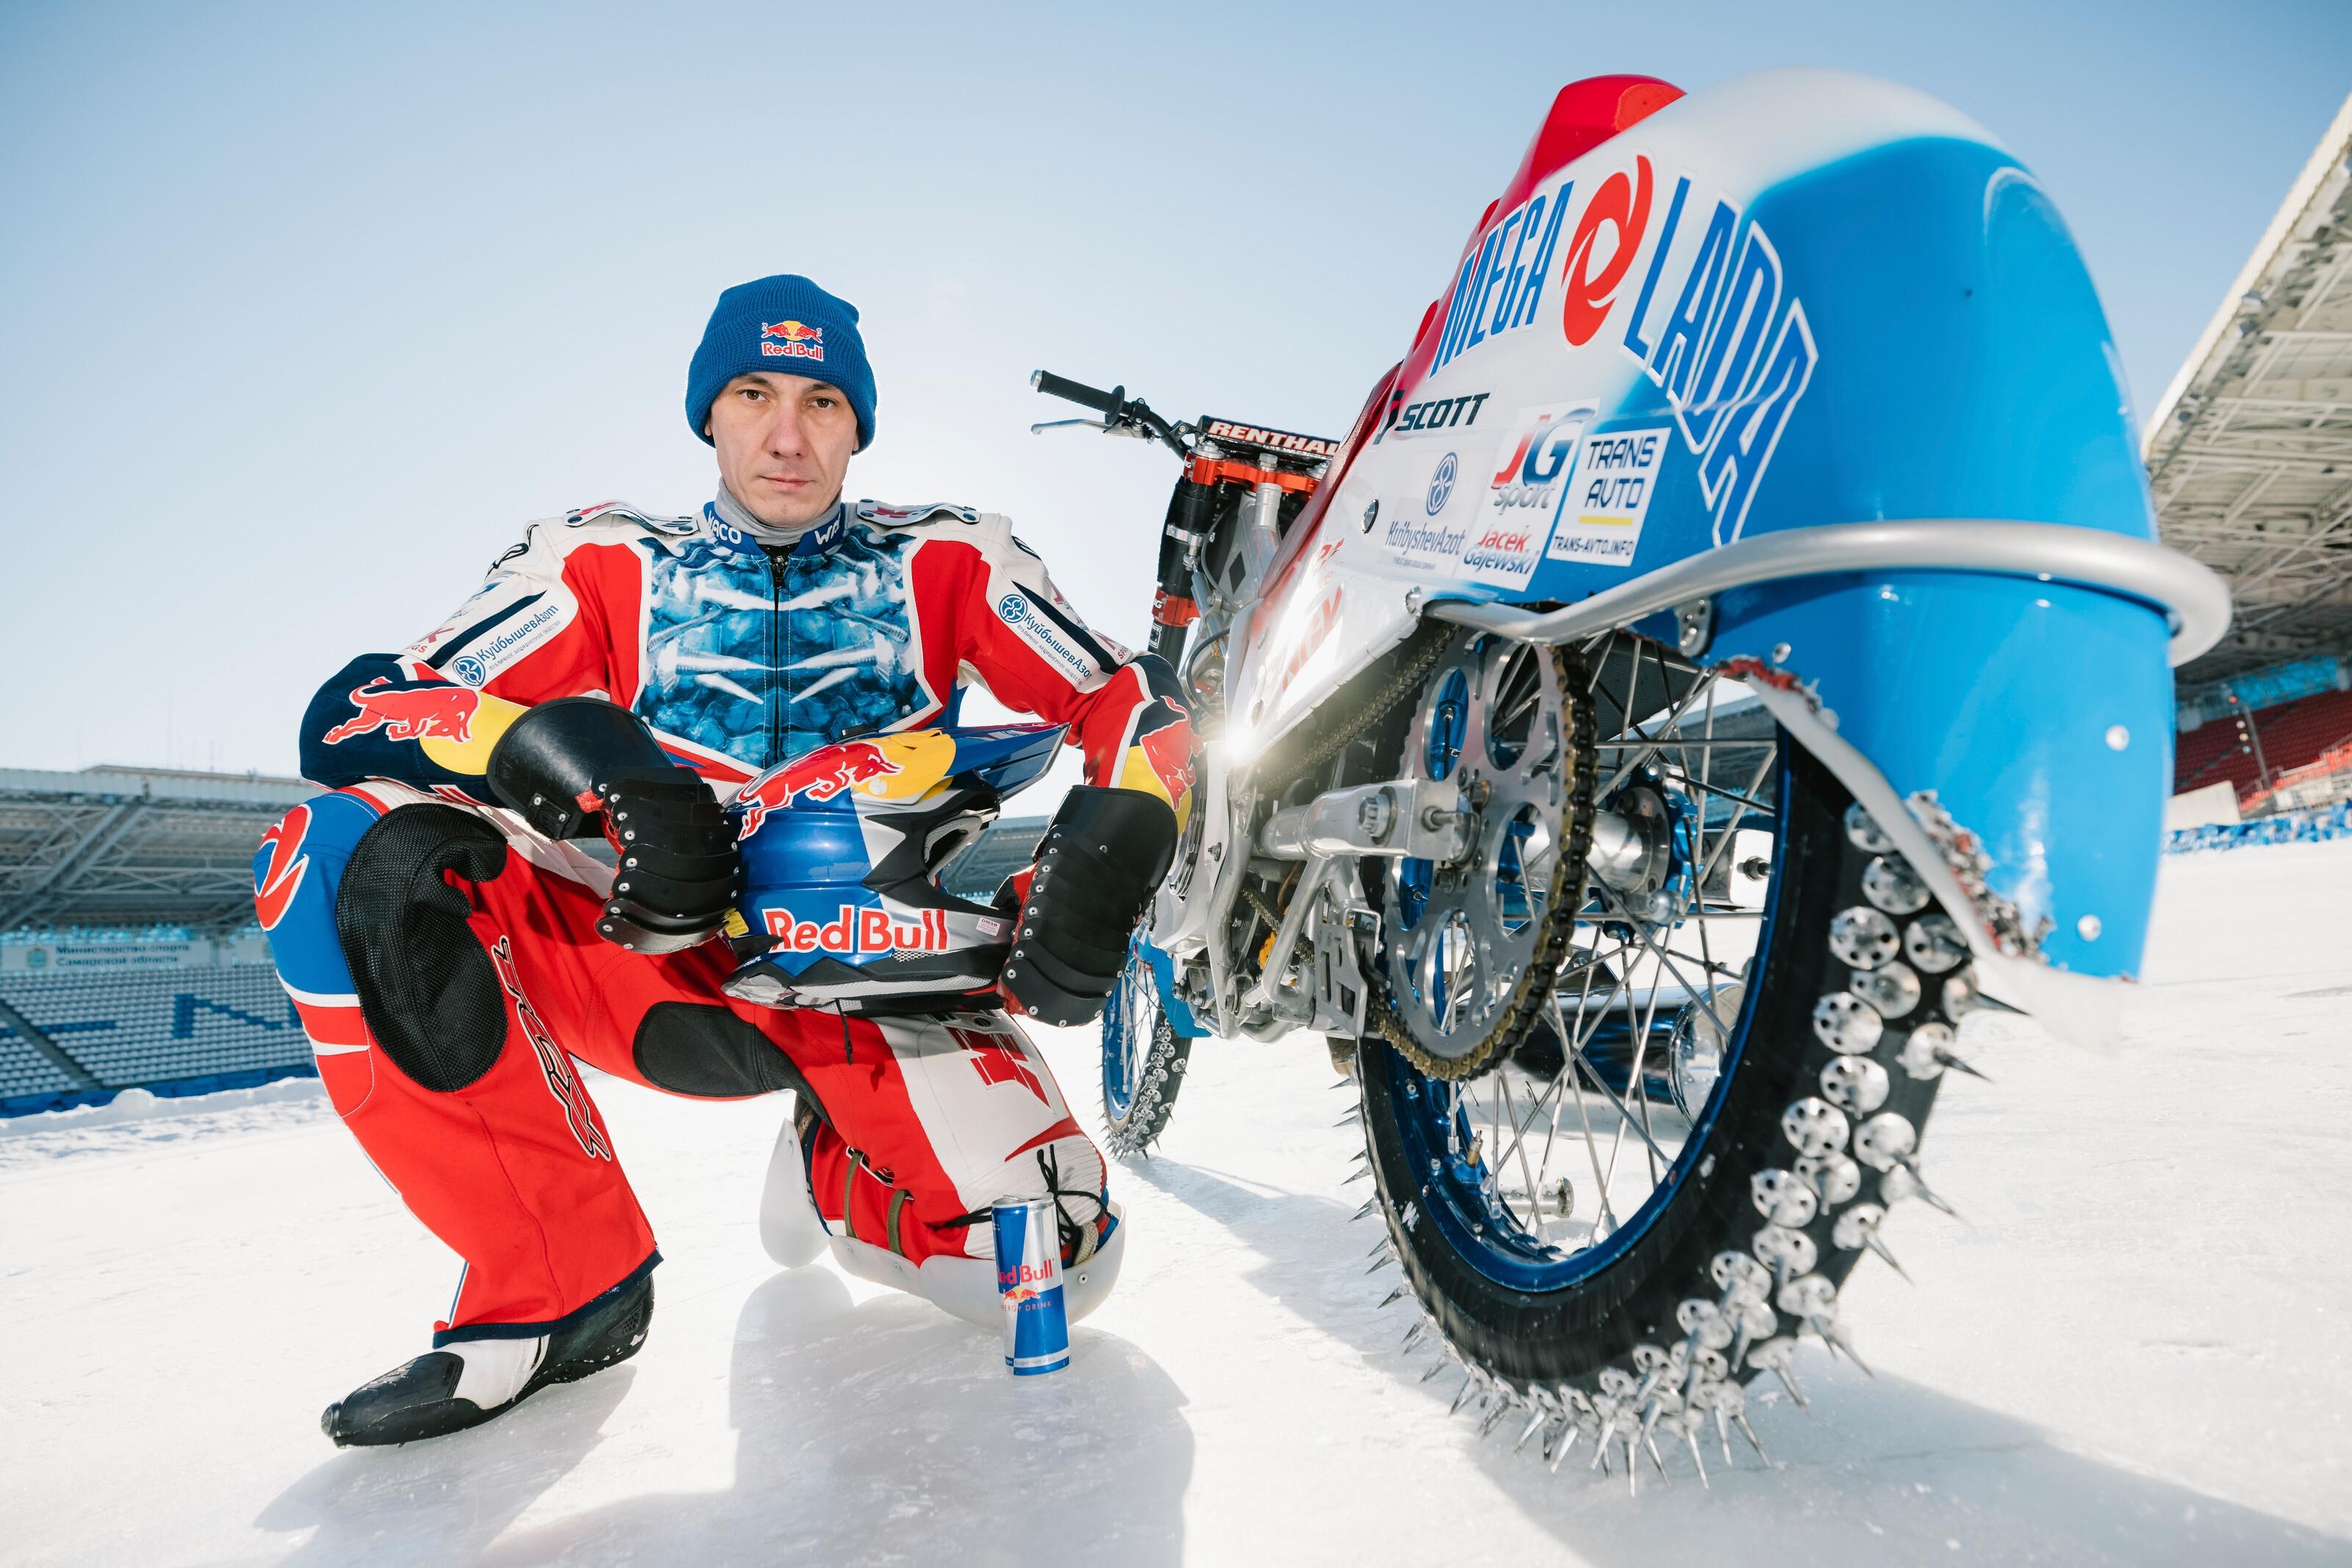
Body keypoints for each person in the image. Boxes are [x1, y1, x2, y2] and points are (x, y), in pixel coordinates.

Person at [255, 275, 1191, 1447]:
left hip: (866, 967)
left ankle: (834, 1158)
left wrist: (1124, 827)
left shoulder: (953, 557)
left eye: (822, 401)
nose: (788, 436)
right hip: (640, 942)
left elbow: (1136, 696)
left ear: (859, 425)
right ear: (709, 411)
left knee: (1063, 1255)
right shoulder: (602, 558)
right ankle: (556, 1282)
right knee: (342, 847)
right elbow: (361, 708)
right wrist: (561, 750)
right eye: (754, 394)